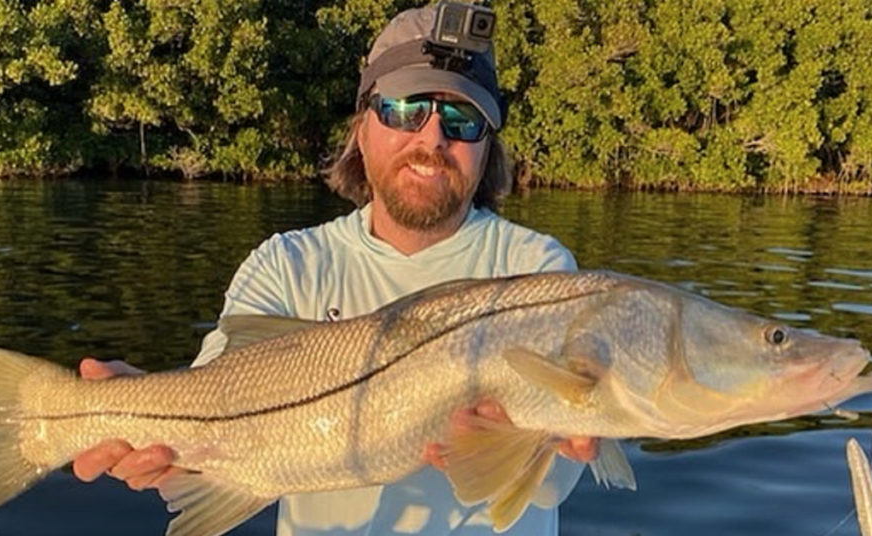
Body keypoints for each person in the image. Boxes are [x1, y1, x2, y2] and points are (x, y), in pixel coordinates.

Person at [73, 4, 597, 535]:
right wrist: (141, 426)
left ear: (487, 148)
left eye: (463, 120)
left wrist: (518, 446)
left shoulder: (536, 272)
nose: (432, 139)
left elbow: (554, 483)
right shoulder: (286, 264)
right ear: (362, 128)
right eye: (405, 109)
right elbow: (209, 402)